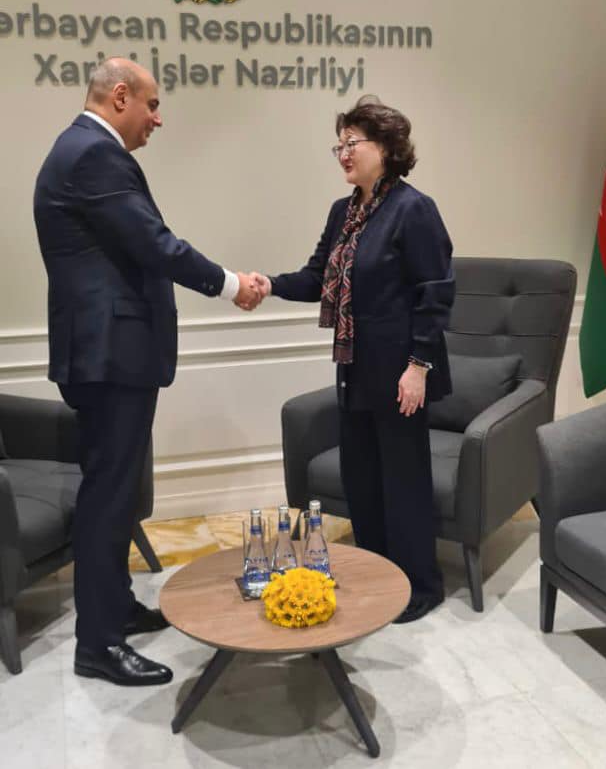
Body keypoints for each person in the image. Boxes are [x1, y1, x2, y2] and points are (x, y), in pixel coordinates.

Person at [33, 57, 261, 686]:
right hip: (110, 357)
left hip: (110, 355)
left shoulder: (80, 150)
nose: (157, 119)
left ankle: (116, 609)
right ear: (120, 96)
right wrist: (231, 284)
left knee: (118, 492)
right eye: (152, 105)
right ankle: (98, 645)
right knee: (109, 497)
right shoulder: (93, 154)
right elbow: (154, 243)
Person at [253, 97, 454, 623]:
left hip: (401, 370)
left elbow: (436, 293)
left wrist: (419, 367)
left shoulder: (414, 209)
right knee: (361, 476)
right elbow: (317, 277)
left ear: (385, 147)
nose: (343, 153)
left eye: (352, 143)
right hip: (354, 366)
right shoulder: (343, 212)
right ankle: (378, 574)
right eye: (338, 145)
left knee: (403, 480)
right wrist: (269, 284)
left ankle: (420, 587)